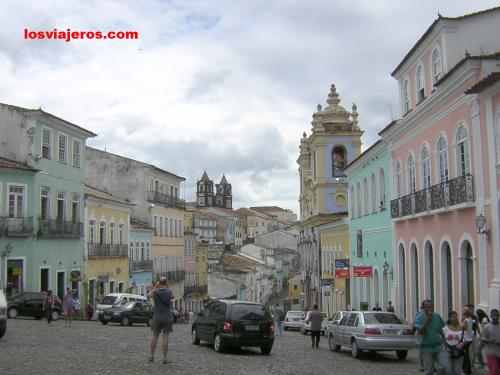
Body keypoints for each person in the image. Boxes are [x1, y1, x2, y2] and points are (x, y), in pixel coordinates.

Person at [414, 300, 445, 375]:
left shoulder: (437, 316)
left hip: (438, 346)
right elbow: (421, 332)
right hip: (426, 347)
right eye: (427, 307)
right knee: (429, 371)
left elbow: (441, 329)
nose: (430, 308)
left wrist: (445, 341)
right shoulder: (419, 317)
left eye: (431, 306)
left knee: (443, 367)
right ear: (423, 308)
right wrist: (427, 320)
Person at [149, 277, 174, 364]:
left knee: (155, 336)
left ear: (159, 283)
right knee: (165, 337)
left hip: (157, 316)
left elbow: (149, 295)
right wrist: (168, 286)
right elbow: (172, 296)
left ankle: (151, 356)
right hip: (167, 317)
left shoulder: (155, 292)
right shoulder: (169, 291)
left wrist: (155, 286)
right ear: (166, 283)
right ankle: (164, 358)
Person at [443, 310, 465, 375]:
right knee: (449, 370)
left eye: (456, 316)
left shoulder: (462, 328)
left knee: (457, 370)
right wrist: (446, 347)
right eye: (453, 317)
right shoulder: (445, 329)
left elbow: (465, 338)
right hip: (448, 351)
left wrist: (462, 344)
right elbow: (442, 339)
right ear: (449, 318)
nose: (455, 318)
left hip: (459, 351)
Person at [481, 309, 500, 375]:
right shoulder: (487, 327)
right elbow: (482, 338)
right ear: (491, 316)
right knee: (495, 370)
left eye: (497, 315)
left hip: (499, 352)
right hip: (491, 352)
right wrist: (490, 341)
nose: (496, 317)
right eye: (494, 315)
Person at [462, 307, 475, 374]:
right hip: (470, 338)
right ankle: (468, 369)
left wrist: (462, 325)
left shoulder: (466, 320)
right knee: (467, 354)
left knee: (465, 355)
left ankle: (466, 369)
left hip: (465, 339)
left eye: (464, 311)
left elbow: (465, 328)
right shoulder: (470, 319)